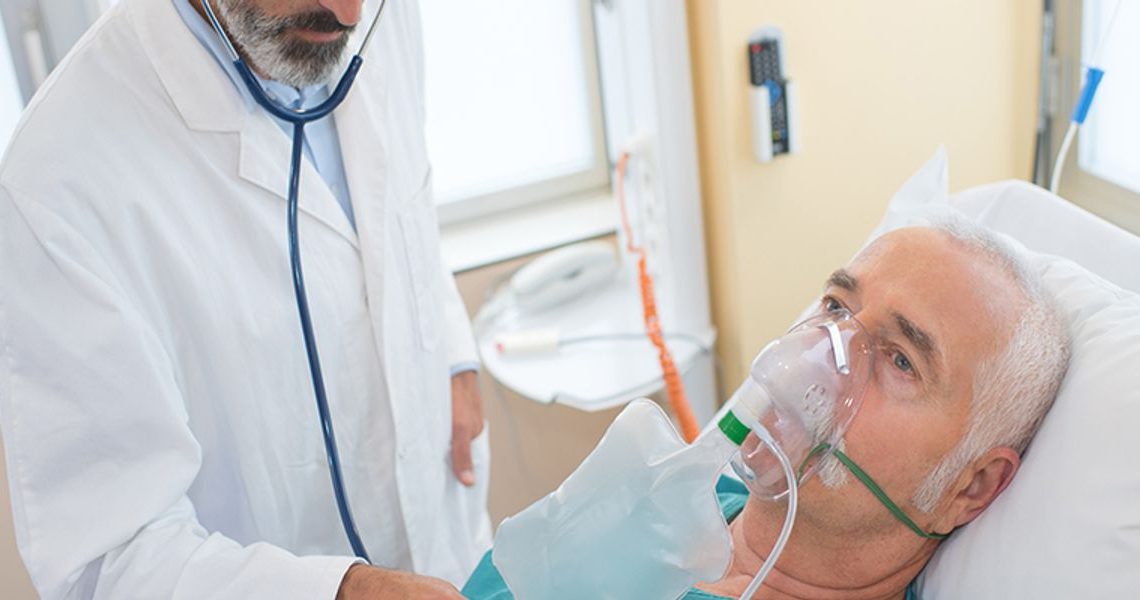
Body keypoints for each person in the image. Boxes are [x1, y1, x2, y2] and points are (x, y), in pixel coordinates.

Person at [0, 0, 488, 598]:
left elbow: (402, 197)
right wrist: (342, 591)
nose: (348, 13)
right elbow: (109, 564)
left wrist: (450, 350)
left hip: (450, 540)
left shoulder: (379, 17)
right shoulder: (55, 180)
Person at [463, 220, 1071, 599]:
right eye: (836, 308)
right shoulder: (672, 498)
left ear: (971, 486)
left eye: (899, 360)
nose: (816, 358)